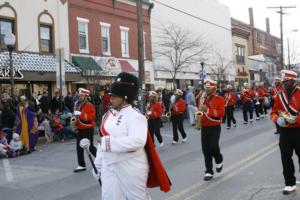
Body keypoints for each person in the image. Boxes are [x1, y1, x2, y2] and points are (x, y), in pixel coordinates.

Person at [94, 72, 151, 199]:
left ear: (126, 96)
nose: (111, 98)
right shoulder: (107, 115)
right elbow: (101, 140)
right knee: (109, 197)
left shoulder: (136, 116)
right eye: (111, 95)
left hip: (131, 166)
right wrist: (98, 163)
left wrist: (109, 143)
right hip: (109, 166)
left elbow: (137, 141)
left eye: (114, 96)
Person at [270, 70, 300, 195]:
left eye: (286, 82)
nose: (284, 84)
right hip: (285, 132)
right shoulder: (279, 96)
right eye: (283, 82)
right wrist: (277, 120)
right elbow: (273, 112)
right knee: (285, 158)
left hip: (299, 130)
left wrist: (295, 119)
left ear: (293, 81)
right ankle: (289, 183)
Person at [197, 80, 225, 181]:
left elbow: (221, 113)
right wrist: (198, 121)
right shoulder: (202, 98)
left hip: (214, 126)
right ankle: (209, 171)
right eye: (206, 88)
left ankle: (219, 160)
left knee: (213, 146)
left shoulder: (220, 99)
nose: (206, 90)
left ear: (214, 89)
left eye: (208, 88)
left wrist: (207, 110)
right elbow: (199, 110)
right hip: (204, 127)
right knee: (205, 149)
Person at [73, 88, 97, 173]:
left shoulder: (89, 105)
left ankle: (101, 160)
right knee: (79, 147)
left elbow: (92, 117)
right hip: (80, 127)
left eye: (81, 95)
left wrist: (81, 114)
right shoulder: (77, 104)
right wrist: (74, 123)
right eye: (79, 95)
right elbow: (75, 116)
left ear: (86, 96)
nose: (79, 97)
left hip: (88, 128)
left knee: (90, 147)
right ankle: (81, 165)